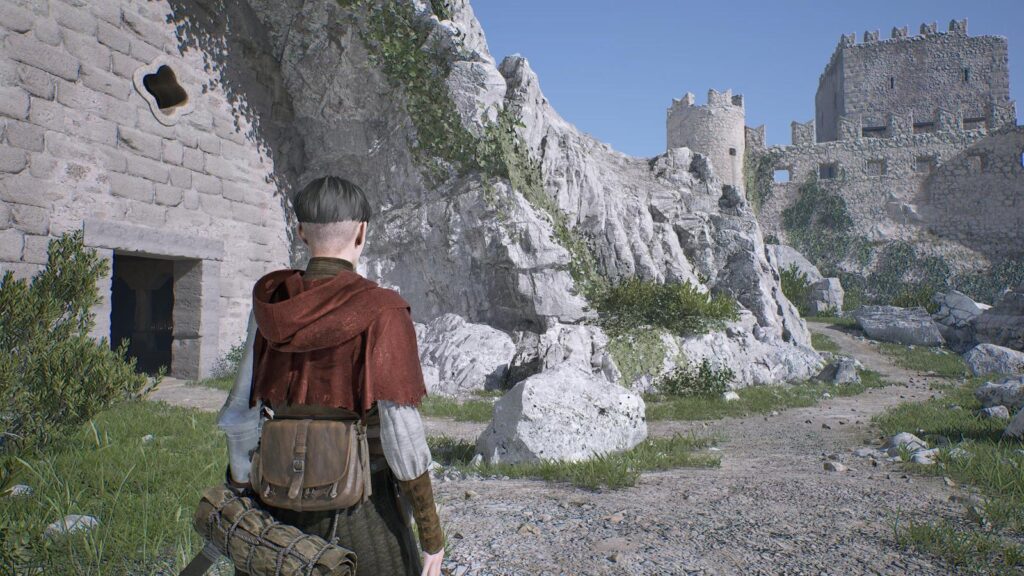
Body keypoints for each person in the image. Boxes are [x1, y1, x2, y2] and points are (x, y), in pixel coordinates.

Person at [216, 175, 445, 576]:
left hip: (274, 505)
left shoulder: (270, 310)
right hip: (363, 514)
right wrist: (431, 536)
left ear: (301, 232)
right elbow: (402, 434)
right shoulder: (384, 310)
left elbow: (240, 414)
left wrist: (244, 498)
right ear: (362, 232)